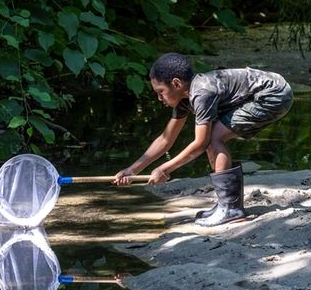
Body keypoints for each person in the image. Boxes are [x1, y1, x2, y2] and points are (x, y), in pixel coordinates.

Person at [113, 52, 293, 226]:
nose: (159, 98)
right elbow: (166, 139)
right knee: (213, 136)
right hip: (266, 92)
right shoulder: (184, 98)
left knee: (214, 138)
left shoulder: (201, 92)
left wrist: (164, 169)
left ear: (176, 83)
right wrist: (132, 170)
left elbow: (200, 144)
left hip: (274, 94)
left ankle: (230, 208)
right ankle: (226, 205)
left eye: (160, 91)